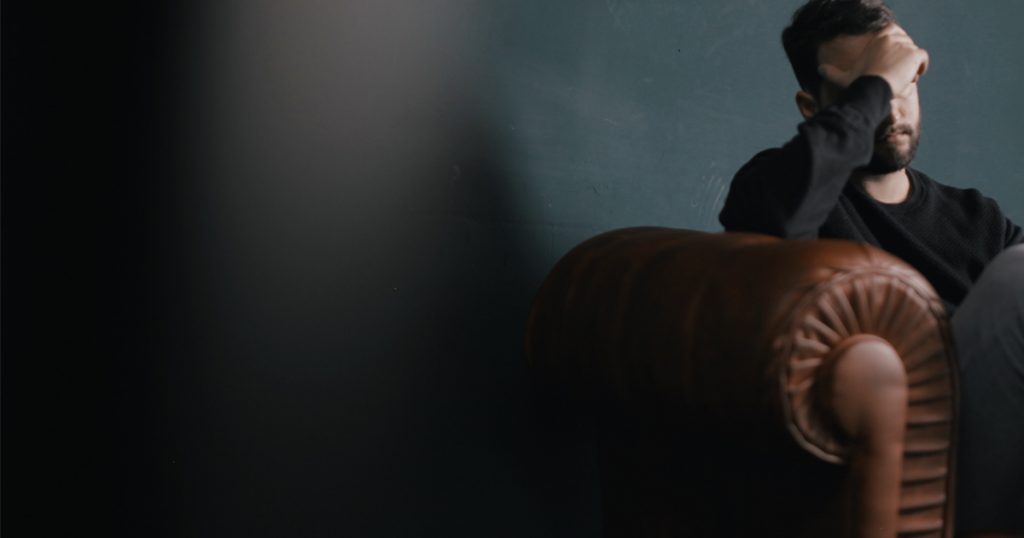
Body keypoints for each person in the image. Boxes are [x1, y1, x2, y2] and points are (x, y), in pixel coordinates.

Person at [717, 1, 1024, 536]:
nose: (892, 108)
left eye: (904, 83)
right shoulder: (781, 189)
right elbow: (776, 223)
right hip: (913, 461)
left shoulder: (978, 218)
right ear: (813, 107)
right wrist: (879, 83)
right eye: (869, 88)